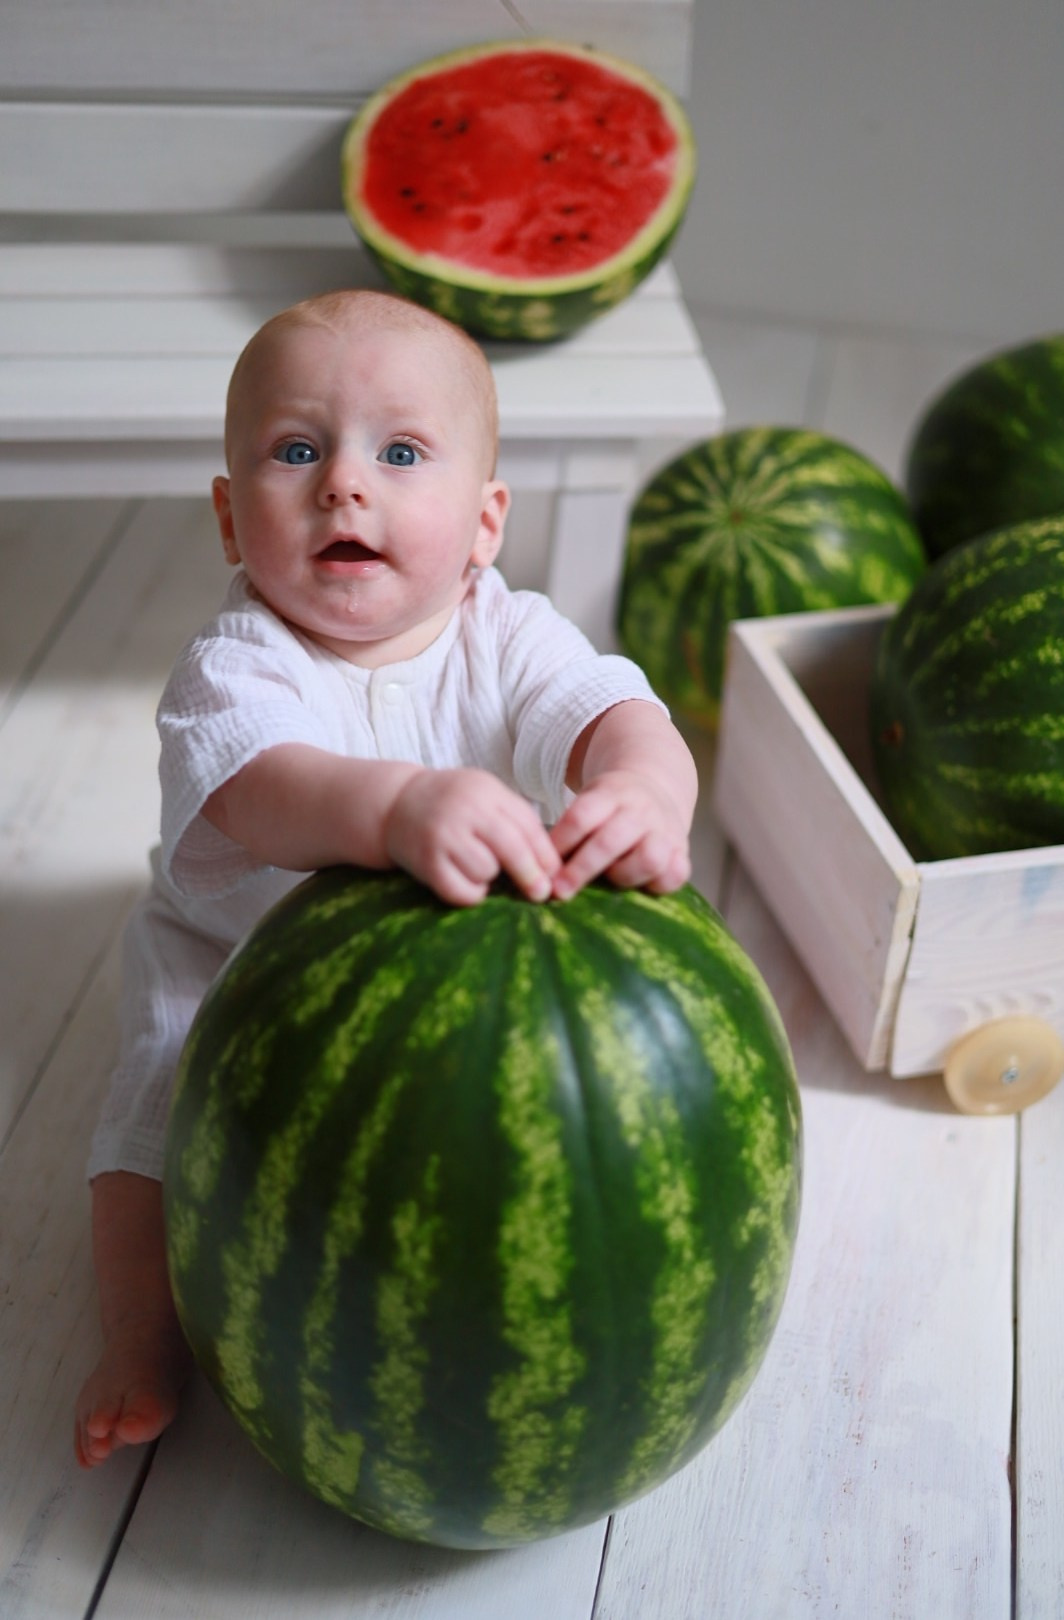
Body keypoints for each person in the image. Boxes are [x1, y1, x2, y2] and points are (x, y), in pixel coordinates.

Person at [74, 288, 698, 1469]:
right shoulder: (235, 662)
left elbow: (617, 709)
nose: (343, 484)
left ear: (482, 522)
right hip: (236, 955)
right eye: (296, 450)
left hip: (452, 969)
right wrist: (400, 805)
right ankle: (141, 1334)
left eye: (401, 452)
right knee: (152, 1105)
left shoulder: (508, 632)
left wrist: (645, 791)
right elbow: (265, 787)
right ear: (227, 516)